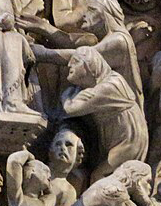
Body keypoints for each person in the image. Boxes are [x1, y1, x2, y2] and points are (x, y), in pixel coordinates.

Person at [61, 47, 148, 181]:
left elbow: (71, 109)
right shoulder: (103, 83)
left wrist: (66, 96)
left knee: (99, 175)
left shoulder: (109, 86)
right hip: (115, 137)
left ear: (90, 65)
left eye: (76, 61)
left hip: (128, 140)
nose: (69, 65)